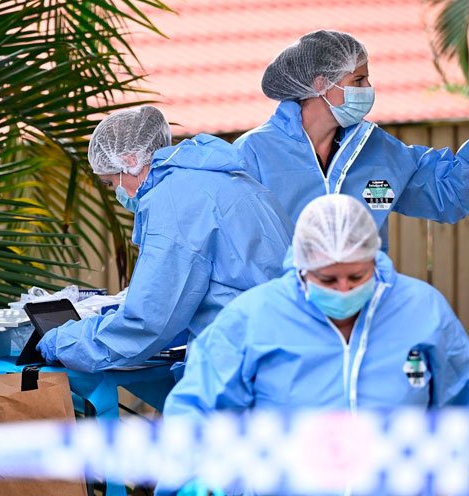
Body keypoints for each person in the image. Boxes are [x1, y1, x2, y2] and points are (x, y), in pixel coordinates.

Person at [156, 194, 469, 496]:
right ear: (302, 268)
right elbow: (199, 403)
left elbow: (467, 409)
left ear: (375, 258)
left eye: (357, 277)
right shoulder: (254, 318)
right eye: (327, 279)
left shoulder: (423, 312)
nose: (343, 290)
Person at [38, 104, 293, 373]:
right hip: (283, 348)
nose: (116, 194)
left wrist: (67, 343)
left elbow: (147, 322)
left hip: (245, 361)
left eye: (111, 183)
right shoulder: (219, 178)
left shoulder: (173, 199)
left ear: (129, 160)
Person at [234, 29, 469, 250]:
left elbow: (450, 193)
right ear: (321, 84)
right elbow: (233, 248)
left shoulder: (376, 150)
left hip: (364, 317)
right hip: (282, 322)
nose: (368, 88)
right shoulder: (254, 154)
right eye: (358, 80)